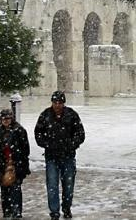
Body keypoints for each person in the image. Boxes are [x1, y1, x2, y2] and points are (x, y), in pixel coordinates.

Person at [34, 90, 85, 219]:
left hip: (68, 156)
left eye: (60, 103)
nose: (57, 105)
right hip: (51, 157)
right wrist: (48, 144)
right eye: (55, 102)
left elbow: (80, 134)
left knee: (68, 185)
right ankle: (54, 212)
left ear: (63, 103)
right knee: (52, 185)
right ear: (52, 103)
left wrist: (71, 144)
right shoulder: (45, 115)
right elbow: (38, 134)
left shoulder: (71, 115)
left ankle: (66, 207)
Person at [0, 108, 31, 219]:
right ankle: (7, 212)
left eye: (8, 118)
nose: (6, 121)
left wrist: (20, 162)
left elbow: (25, 149)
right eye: (4, 118)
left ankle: (16, 212)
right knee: (5, 190)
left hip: (16, 164)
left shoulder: (19, 131)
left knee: (15, 189)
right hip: (1, 165)